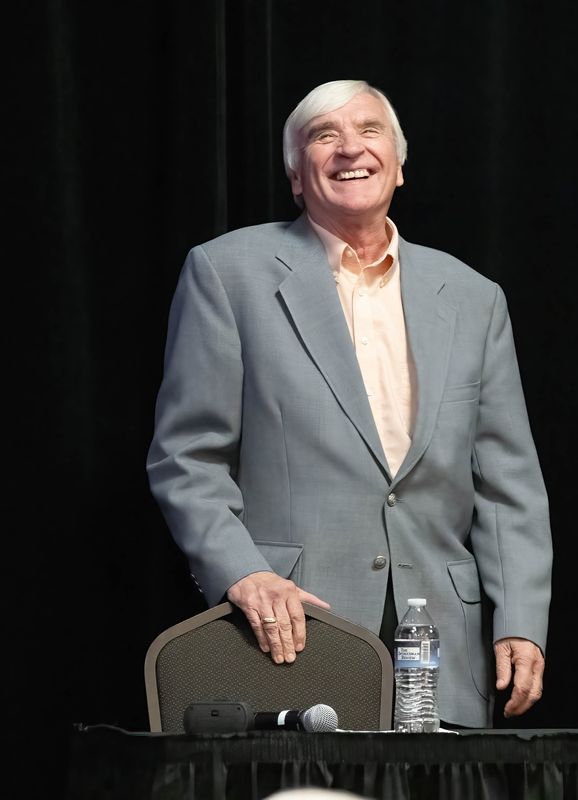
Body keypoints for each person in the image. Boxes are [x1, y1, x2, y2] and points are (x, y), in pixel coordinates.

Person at [147, 79, 552, 727]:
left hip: (441, 644)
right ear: (296, 176)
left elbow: (509, 487)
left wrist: (523, 622)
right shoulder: (227, 273)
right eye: (323, 135)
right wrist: (243, 573)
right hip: (292, 629)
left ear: (398, 163)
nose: (349, 149)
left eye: (369, 131)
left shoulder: (473, 297)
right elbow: (185, 458)